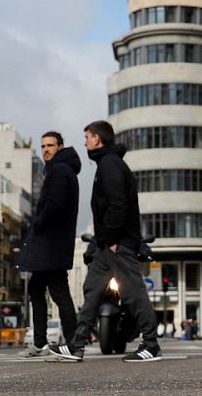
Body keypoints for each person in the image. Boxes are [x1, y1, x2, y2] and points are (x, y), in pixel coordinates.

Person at [47, 120, 161, 363]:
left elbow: (118, 206)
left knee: (133, 293)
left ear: (97, 139)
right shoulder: (106, 164)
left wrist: (112, 238)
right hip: (105, 246)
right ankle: (76, 346)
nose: (85, 142)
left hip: (117, 243)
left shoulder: (110, 165)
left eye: (87, 137)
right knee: (92, 292)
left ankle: (151, 345)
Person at [15, 132, 79, 361]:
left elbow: (55, 204)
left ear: (60, 147)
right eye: (43, 146)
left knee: (59, 292)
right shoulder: (59, 169)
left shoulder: (59, 170)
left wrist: (39, 224)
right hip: (51, 243)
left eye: (50, 145)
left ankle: (73, 345)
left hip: (51, 243)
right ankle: (41, 342)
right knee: (36, 289)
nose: (45, 150)